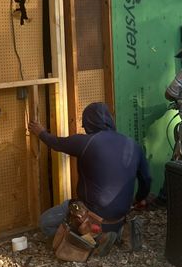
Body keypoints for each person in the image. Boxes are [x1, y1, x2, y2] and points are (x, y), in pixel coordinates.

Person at [28, 102, 151, 242]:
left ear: (89, 123)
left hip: (92, 214)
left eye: (85, 125)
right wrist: (139, 199)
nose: (84, 129)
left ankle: (87, 239)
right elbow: (146, 179)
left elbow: (56, 143)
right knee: (104, 217)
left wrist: (40, 132)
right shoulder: (133, 145)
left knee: (45, 222)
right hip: (120, 215)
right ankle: (117, 233)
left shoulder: (86, 142)